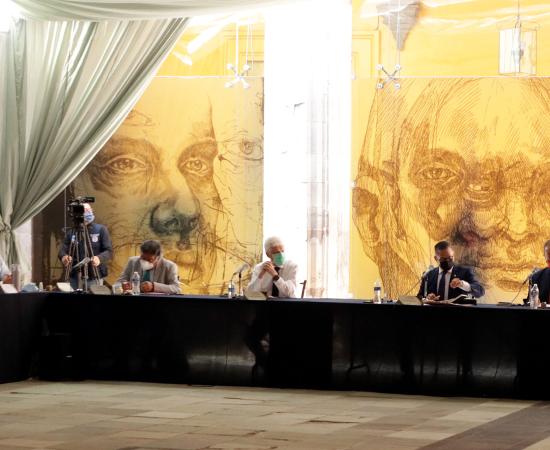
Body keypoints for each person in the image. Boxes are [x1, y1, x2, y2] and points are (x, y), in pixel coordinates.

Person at [353, 78, 550, 299]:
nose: (517, 228)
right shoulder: (428, 277)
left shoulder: (468, 274)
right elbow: (419, 297)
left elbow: (477, 290)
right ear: (372, 215)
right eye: (439, 174)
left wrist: (463, 286)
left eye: (546, 186)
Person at [59, 203, 113, 289]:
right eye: (84, 210)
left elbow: (108, 251)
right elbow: (62, 251)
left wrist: (99, 258)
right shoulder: (72, 232)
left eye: (89, 210)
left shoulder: (101, 229)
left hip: (94, 274)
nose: (88, 212)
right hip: (75, 276)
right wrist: (64, 257)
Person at [417, 240, 485, 300]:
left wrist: (462, 284)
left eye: (450, 258)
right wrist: (426, 298)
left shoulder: (465, 272)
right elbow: (420, 297)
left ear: (453, 255)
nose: (447, 261)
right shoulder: (428, 275)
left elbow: (480, 291)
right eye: (443, 259)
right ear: (436, 258)